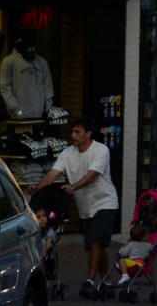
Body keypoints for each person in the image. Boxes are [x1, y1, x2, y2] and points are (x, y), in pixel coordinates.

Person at [29, 117, 119, 299]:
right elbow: (52, 174)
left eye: (77, 132)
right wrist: (37, 189)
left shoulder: (101, 150)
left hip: (105, 201)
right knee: (96, 244)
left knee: (96, 240)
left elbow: (91, 176)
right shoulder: (67, 153)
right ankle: (107, 282)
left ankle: (89, 281)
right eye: (72, 131)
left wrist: (73, 187)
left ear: (88, 134)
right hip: (85, 205)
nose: (72, 135)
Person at [0, 37, 54, 120]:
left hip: (38, 114)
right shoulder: (9, 62)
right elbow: (5, 87)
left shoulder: (41, 62)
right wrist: (16, 108)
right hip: (18, 115)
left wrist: (48, 107)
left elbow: (47, 85)